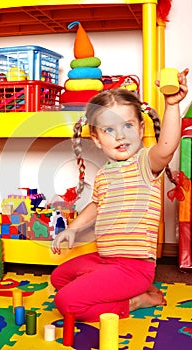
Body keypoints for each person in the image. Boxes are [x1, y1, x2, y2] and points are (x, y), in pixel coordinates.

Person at [51, 69, 189, 322]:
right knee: (58, 278)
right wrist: (72, 228)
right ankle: (114, 290)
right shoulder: (104, 174)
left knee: (66, 303)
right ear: (96, 137)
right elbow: (96, 205)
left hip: (133, 267)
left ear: (140, 127)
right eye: (109, 130)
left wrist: (172, 106)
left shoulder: (145, 163)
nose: (121, 135)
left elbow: (168, 147)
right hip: (105, 260)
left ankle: (134, 301)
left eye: (127, 125)